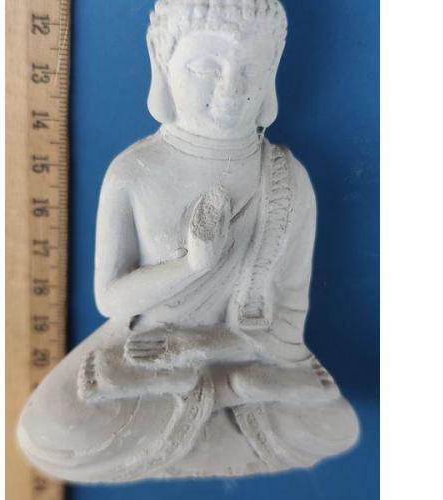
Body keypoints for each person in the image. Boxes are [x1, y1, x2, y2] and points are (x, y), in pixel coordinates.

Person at [18, 0, 359, 483]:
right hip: (143, 345)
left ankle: (225, 389)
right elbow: (111, 300)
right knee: (51, 429)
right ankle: (225, 395)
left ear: (272, 73)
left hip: (239, 350)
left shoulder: (287, 179)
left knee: (334, 426)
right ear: (162, 64)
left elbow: (286, 314)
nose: (231, 88)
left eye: (251, 68)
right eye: (206, 67)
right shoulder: (133, 173)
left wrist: (195, 345)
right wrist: (192, 266)